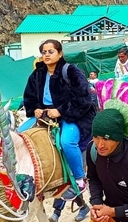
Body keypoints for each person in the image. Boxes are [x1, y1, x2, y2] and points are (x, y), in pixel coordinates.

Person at [23, 39, 96, 201]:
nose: (47, 55)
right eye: (44, 52)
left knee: (67, 141)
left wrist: (60, 111)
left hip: (73, 115)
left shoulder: (70, 71)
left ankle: (79, 179)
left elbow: (84, 98)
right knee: (20, 135)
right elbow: (29, 96)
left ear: (60, 53)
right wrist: (34, 108)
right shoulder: (37, 74)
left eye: (51, 51)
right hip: (45, 115)